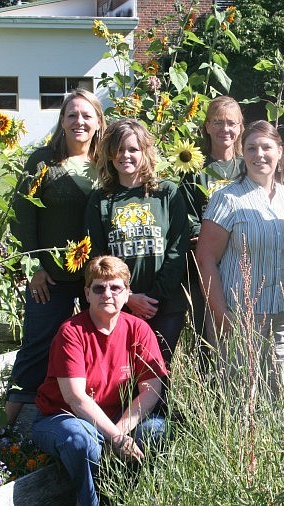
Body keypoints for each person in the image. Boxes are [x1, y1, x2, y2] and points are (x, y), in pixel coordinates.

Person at [30, 256, 167, 506]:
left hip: (116, 419)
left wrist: (120, 432)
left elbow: (151, 389)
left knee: (157, 430)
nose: (107, 294)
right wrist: (115, 438)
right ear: (87, 293)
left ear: (127, 293)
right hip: (63, 418)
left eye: (115, 287)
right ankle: (89, 501)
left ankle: (126, 496)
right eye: (99, 288)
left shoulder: (139, 329)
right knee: (82, 441)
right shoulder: (71, 332)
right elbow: (75, 399)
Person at [6, 88, 106, 427]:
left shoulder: (108, 163)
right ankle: (8, 421)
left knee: (95, 344)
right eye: (72, 115)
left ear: (98, 122)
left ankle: (88, 412)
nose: (79, 121)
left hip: (97, 278)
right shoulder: (42, 161)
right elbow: (22, 215)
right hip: (51, 277)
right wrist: (33, 267)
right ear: (62, 121)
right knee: (39, 341)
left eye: (86, 115)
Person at [196, 120, 284, 395]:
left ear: (279, 152)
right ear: (242, 154)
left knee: (281, 402)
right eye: (251, 148)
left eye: (266, 147)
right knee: (240, 402)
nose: (259, 154)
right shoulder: (227, 199)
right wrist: (221, 313)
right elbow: (205, 258)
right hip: (239, 318)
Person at [85, 118, 189, 366]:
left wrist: (153, 297)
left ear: (145, 151)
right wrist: (128, 297)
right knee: (123, 373)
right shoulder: (101, 199)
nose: (125, 156)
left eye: (133, 149)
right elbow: (97, 256)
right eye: (119, 149)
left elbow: (178, 248)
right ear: (110, 154)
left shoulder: (166, 193)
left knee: (158, 371)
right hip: (117, 305)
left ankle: (159, 408)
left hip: (164, 305)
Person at [180, 96, 244, 339]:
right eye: (217, 122)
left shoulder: (247, 167)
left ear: (240, 127)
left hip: (242, 261)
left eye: (231, 123)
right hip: (205, 265)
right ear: (207, 126)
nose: (224, 129)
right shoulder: (195, 169)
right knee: (206, 332)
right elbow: (188, 214)